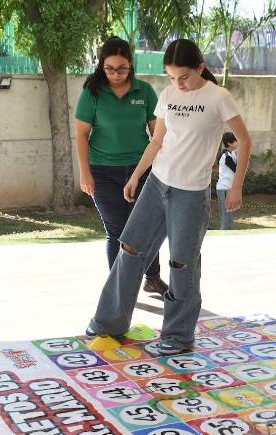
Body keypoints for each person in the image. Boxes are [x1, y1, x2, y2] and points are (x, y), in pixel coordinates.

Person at [87, 38, 251, 357]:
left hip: (191, 193)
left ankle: (177, 335)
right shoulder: (167, 94)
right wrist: (136, 176)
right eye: (171, 76)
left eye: (184, 77)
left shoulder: (219, 98)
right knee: (130, 248)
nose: (178, 84)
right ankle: (109, 322)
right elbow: (157, 141)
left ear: (200, 68)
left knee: (182, 263)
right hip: (157, 184)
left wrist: (236, 186)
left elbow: (244, 140)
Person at [75, 37, 168, 295]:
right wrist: (85, 172)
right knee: (117, 231)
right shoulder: (92, 93)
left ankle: (152, 277)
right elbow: (82, 135)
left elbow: (157, 135)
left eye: (122, 68)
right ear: (101, 66)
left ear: (131, 65)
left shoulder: (145, 91)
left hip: (142, 170)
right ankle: (119, 287)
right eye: (110, 68)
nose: (116, 74)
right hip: (103, 172)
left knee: (145, 227)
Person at [217, 132, 238, 229]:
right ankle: (223, 234)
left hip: (230, 188)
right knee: (225, 217)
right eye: (235, 141)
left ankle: (228, 235)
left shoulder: (232, 153)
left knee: (230, 216)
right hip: (224, 187)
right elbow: (236, 169)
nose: (237, 143)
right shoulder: (226, 156)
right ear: (229, 143)